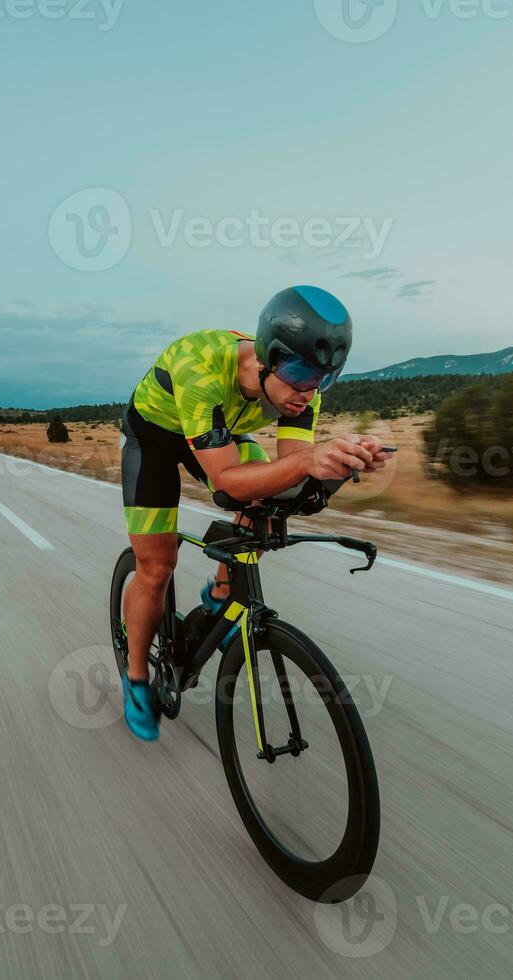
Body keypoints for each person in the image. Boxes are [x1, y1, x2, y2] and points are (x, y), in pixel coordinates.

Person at [117, 286, 393, 740]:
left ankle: (221, 597)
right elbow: (226, 480)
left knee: (266, 507)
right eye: (302, 372)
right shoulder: (200, 368)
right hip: (156, 441)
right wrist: (307, 460)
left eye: (325, 378)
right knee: (156, 565)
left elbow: (289, 480)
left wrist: (339, 465)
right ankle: (136, 679)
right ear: (268, 357)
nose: (309, 390)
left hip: (216, 435)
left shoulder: (304, 388)